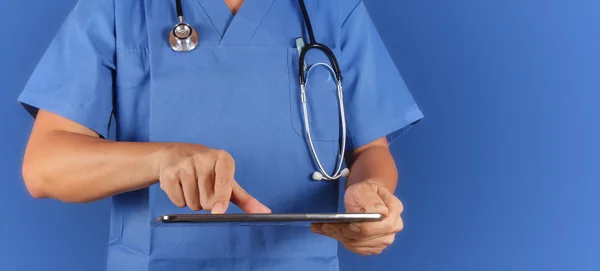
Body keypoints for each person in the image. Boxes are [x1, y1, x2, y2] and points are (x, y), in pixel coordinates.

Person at [18, 0, 423, 270]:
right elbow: (44, 168)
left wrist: (370, 193)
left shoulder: (332, 8)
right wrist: (162, 160)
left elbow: (370, 147)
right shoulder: (118, 7)